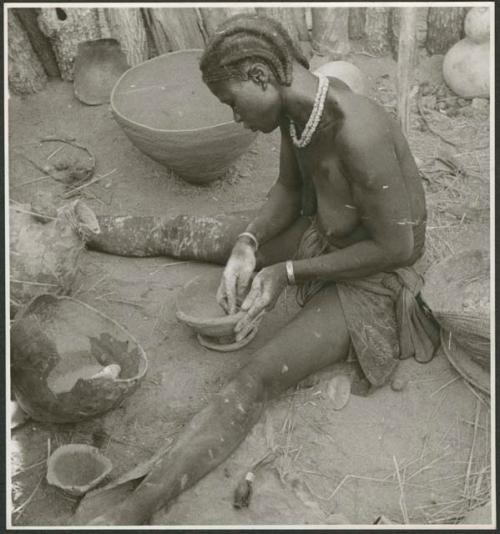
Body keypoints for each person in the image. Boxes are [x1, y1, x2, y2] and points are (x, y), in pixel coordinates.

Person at [83, 14, 439, 525]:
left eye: (232, 103)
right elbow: (291, 191)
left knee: (255, 379)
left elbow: (399, 248)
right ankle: (89, 228)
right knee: (215, 236)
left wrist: (288, 272)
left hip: (373, 277)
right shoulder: (301, 114)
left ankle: (134, 510)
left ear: (260, 77)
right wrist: (251, 243)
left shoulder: (360, 132)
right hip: (326, 231)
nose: (234, 118)